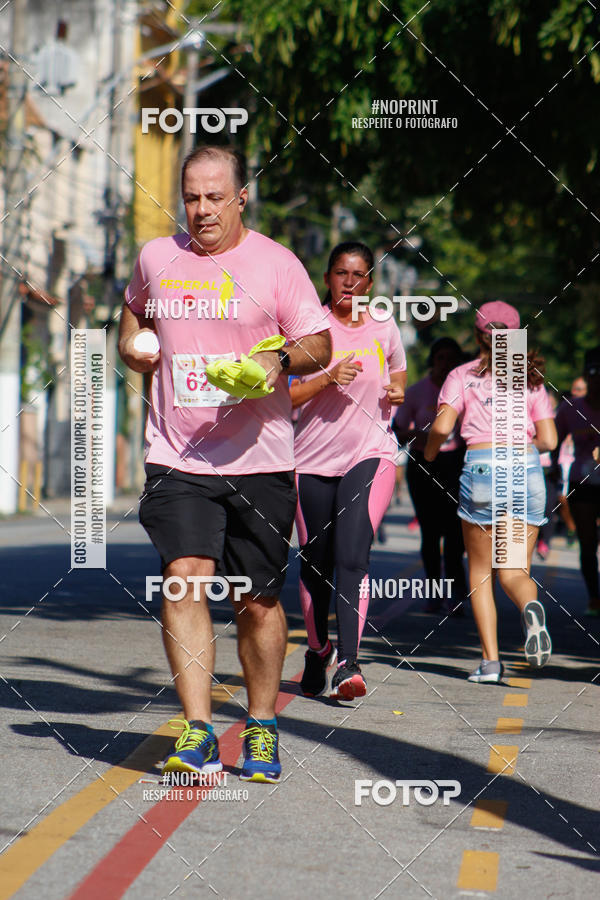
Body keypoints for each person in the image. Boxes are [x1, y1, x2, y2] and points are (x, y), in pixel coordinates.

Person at [118, 145, 331, 783]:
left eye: (215, 197)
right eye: (191, 197)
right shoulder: (158, 257)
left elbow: (319, 341)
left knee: (257, 601)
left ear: (241, 198)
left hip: (259, 459)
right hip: (177, 453)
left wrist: (280, 362)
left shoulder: (276, 264)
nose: (202, 209)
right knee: (184, 577)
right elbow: (132, 314)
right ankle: (198, 730)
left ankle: (261, 726)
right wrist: (133, 346)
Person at [290, 242, 407, 700]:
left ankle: (349, 664)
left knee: (353, 556)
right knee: (315, 566)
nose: (350, 283)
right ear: (328, 278)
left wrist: (397, 392)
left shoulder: (382, 325)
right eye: (342, 273)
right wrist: (325, 377)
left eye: (359, 275)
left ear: (370, 284)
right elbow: (285, 396)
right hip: (312, 462)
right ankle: (318, 650)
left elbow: (397, 369)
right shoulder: (309, 331)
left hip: (371, 454)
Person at [424, 301, 557, 683]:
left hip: (483, 469)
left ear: (479, 334)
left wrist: (429, 453)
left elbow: (441, 427)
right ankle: (530, 606)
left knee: (481, 571)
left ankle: (490, 663)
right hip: (525, 467)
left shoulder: (461, 375)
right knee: (514, 570)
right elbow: (548, 439)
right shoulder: (529, 379)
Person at [393, 337, 467, 614]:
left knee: (455, 532)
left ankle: (457, 590)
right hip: (424, 463)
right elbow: (397, 430)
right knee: (430, 531)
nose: (446, 364)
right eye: (441, 358)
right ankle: (435, 592)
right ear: (432, 362)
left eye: (452, 359)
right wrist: (416, 434)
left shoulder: (466, 389)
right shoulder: (416, 392)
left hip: (457, 463)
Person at [555, 347, 600, 616]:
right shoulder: (571, 408)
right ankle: (594, 597)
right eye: (593, 373)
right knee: (587, 542)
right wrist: (551, 469)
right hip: (582, 484)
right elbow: (554, 438)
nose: (597, 379)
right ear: (586, 376)